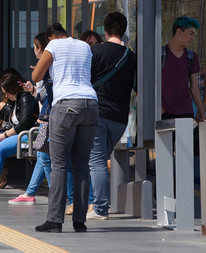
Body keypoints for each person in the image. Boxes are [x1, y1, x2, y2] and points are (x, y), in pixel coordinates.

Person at [32, 23, 97, 234]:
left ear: (52, 37)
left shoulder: (54, 46)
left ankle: (54, 220)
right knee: (81, 165)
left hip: (66, 104)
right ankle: (80, 221)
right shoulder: (84, 46)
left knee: (59, 164)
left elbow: (36, 77)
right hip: (91, 104)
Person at [86, 12, 138, 220]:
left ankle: (99, 208)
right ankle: (94, 203)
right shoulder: (131, 56)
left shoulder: (95, 51)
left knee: (96, 161)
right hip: (119, 118)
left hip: (97, 114)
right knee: (98, 160)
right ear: (123, 30)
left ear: (105, 29)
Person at [9, 34, 53, 205]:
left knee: (43, 156)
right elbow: (43, 96)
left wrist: (38, 87)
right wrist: (34, 90)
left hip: (46, 121)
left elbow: (46, 95)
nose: (34, 50)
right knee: (42, 156)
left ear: (40, 48)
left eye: (35, 47)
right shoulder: (48, 67)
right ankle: (31, 193)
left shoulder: (46, 68)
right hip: (45, 120)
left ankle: (52, 193)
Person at [161, 17, 205, 121]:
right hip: (163, 111)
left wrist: (201, 111)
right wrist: (159, 107)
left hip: (185, 111)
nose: (193, 38)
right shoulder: (161, 54)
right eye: (191, 33)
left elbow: (194, 87)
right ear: (179, 31)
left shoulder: (192, 56)